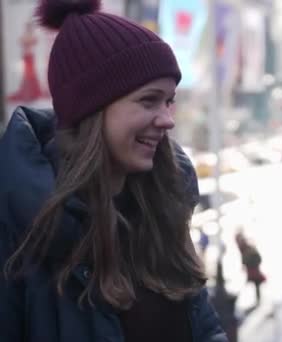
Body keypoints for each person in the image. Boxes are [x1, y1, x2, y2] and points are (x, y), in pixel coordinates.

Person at [0, 1, 227, 341]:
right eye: (149, 100)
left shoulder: (164, 206)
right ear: (92, 110)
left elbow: (205, 329)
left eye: (169, 100)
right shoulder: (20, 230)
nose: (167, 119)